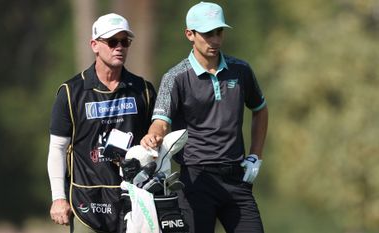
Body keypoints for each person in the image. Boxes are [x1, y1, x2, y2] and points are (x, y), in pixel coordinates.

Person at [140, 2, 268, 233]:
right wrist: (153, 136)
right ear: (190, 34)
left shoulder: (241, 70)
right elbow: (160, 123)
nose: (215, 40)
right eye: (208, 34)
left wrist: (255, 156)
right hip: (196, 181)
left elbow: (260, 108)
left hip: (236, 179)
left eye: (219, 32)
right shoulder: (176, 77)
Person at [47, 13, 156, 233]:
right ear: (94, 45)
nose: (119, 47)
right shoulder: (71, 92)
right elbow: (57, 149)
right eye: (112, 41)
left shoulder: (143, 89)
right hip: (86, 201)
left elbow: (156, 142)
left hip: (135, 200)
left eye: (124, 41)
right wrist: (58, 197)